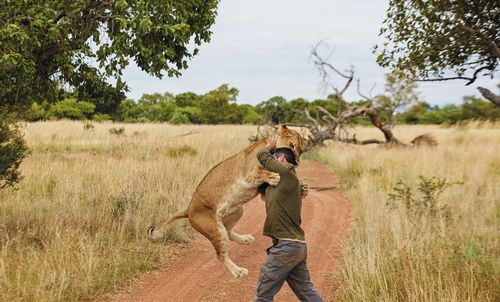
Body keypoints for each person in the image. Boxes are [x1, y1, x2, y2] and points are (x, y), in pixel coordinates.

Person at [254, 135, 323, 302]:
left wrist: (269, 147)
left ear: (281, 159)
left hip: (286, 247)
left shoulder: (286, 172)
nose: (271, 162)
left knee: (263, 295)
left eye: (275, 158)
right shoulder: (284, 181)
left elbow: (262, 156)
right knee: (306, 291)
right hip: (295, 246)